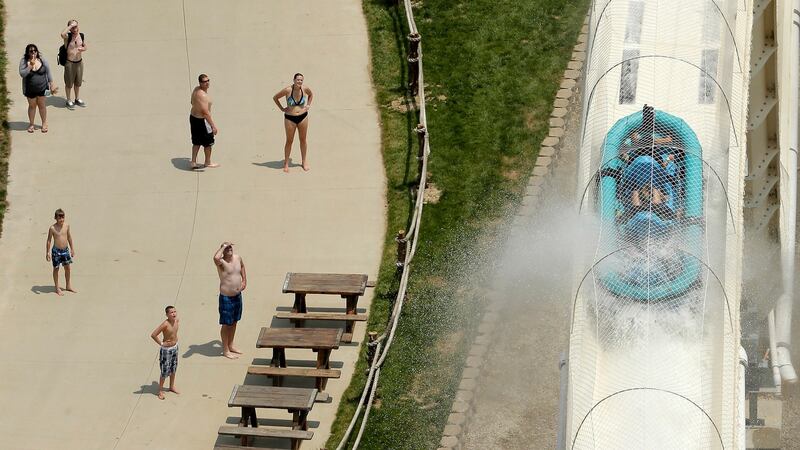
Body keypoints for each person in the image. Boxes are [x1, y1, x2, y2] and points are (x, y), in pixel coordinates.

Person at [273, 73, 314, 172]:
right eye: (298, 80)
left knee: (303, 140)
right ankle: (286, 163)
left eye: (301, 80)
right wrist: (282, 108)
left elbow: (311, 94)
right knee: (289, 141)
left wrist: (308, 105)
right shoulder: (288, 90)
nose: (299, 81)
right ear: (294, 80)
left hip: (303, 117)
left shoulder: (305, 89)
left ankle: (304, 161)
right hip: (290, 118)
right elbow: (275, 97)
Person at [213, 242, 246, 359]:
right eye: (226, 249)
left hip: (237, 295)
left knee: (235, 321)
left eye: (230, 247)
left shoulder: (238, 258)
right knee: (226, 324)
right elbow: (215, 257)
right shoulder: (221, 263)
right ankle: (225, 349)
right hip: (226, 297)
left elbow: (242, 267)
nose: (229, 249)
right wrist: (222, 246)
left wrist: (244, 281)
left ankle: (231, 345)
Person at [19, 44, 57, 133]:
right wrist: (30, 66)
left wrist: (52, 84)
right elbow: (22, 74)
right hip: (29, 89)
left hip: (44, 88)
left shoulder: (42, 60)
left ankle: (44, 123)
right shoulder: (24, 61)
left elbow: (48, 72)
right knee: (32, 106)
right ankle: (31, 124)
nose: (33, 53)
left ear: (37, 51)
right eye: (31, 51)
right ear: (27, 53)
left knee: (42, 105)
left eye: (35, 51)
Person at [150, 305, 180, 400]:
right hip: (166, 351)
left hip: (175, 348)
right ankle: (160, 390)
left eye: (174, 311)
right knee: (164, 371)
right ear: (167, 314)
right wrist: (162, 343)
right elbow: (153, 334)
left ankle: (171, 386)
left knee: (173, 368)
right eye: (171, 312)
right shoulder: (165, 324)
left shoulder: (176, 321)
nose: (173, 314)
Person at [189, 74, 219, 169]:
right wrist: (213, 126)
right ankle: (208, 162)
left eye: (208, 81)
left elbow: (191, 102)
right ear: (200, 83)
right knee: (208, 143)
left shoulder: (196, 89)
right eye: (204, 81)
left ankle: (193, 162)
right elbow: (205, 113)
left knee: (196, 141)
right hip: (202, 121)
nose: (207, 83)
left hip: (193, 117)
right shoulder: (202, 95)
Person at [45, 208, 75, 295]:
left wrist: (72, 249)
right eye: (59, 218)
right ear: (56, 218)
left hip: (65, 250)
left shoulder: (67, 226)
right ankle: (57, 287)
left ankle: (68, 285)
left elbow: (69, 237)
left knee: (67, 268)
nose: (61, 219)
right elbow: (49, 241)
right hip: (56, 251)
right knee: (56, 269)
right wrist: (47, 252)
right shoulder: (52, 228)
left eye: (63, 217)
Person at [60, 19, 87, 109]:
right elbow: (62, 34)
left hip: (79, 62)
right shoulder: (68, 37)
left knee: (78, 82)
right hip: (70, 63)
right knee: (69, 83)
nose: (75, 29)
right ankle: (68, 100)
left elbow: (84, 45)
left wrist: (84, 48)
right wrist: (70, 26)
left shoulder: (81, 35)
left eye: (76, 26)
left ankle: (77, 98)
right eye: (73, 27)